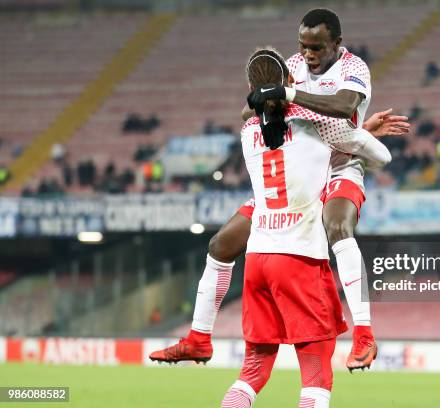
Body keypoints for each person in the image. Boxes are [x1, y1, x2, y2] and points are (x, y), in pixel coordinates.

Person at [149, 8, 410, 371]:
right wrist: (267, 99)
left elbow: (344, 105)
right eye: (303, 46)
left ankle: (364, 335)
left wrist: (290, 93)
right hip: (296, 169)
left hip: (340, 162)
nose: (308, 54)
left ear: (337, 43)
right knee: (221, 245)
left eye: (317, 47)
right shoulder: (293, 63)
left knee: (338, 227)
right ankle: (198, 338)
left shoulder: (354, 68)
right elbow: (250, 111)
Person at [220, 47, 391, 408]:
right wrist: (357, 135)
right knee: (316, 375)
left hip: (258, 260)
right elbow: (381, 156)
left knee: (252, 372)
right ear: (290, 82)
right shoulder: (319, 126)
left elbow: (267, 119)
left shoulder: (248, 131)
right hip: (299, 259)